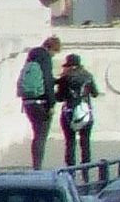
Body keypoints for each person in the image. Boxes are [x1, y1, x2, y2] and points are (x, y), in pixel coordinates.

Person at [17, 35, 58, 168]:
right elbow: (47, 81)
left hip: (28, 102)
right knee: (41, 135)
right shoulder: (45, 58)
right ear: (51, 48)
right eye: (55, 52)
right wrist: (51, 103)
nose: (54, 55)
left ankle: (36, 164)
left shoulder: (31, 57)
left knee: (36, 134)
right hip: (41, 102)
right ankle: (38, 166)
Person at [55, 53, 98, 167]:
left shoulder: (65, 78)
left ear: (69, 65)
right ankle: (86, 169)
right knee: (85, 142)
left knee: (70, 142)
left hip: (69, 113)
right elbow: (95, 93)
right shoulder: (88, 76)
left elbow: (59, 97)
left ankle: (71, 170)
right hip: (85, 113)